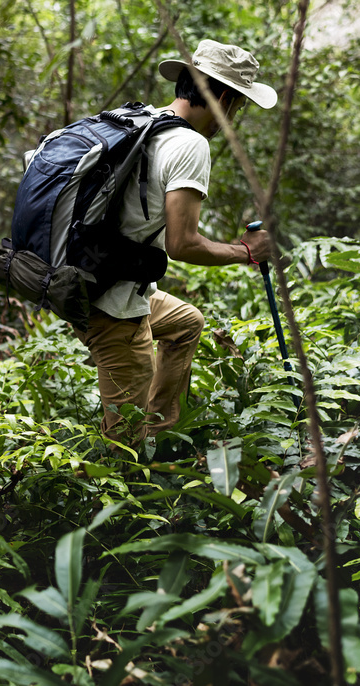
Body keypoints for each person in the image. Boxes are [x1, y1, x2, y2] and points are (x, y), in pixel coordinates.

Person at [74, 39, 278, 443]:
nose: (232, 117)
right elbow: (181, 244)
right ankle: (131, 463)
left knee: (186, 323)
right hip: (112, 304)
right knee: (121, 445)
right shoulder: (190, 144)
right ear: (222, 96)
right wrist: (246, 252)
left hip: (78, 274)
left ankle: (162, 436)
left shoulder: (139, 121)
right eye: (237, 106)